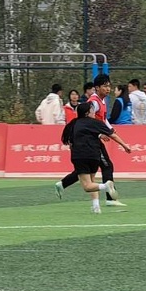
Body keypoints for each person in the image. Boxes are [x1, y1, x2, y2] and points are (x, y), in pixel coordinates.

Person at [54, 74, 123, 205]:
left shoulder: (102, 101)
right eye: (105, 86)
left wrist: (110, 129)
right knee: (106, 166)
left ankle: (63, 184)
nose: (108, 89)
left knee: (86, 171)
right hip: (91, 142)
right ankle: (110, 198)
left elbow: (103, 119)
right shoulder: (94, 102)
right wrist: (99, 134)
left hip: (89, 143)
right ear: (97, 87)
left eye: (109, 86)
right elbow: (88, 120)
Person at [60, 103, 132, 214]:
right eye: (92, 110)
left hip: (79, 156)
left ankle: (106, 186)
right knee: (92, 182)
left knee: (87, 186)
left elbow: (66, 140)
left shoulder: (73, 124)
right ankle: (96, 207)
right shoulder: (96, 123)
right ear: (87, 113)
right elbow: (112, 135)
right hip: (94, 156)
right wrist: (124, 145)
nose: (94, 112)